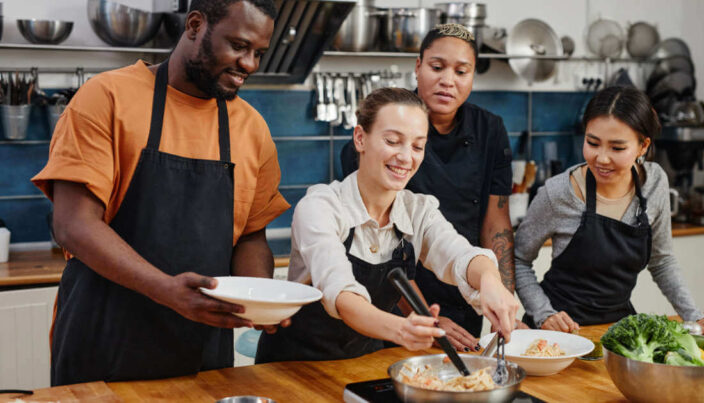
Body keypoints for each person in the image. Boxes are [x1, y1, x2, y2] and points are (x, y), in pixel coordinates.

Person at [31, 0, 291, 385]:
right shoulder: (106, 98)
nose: (250, 64)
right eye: (238, 46)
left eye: (258, 53)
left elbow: (250, 236)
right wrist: (166, 291)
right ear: (195, 26)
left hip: (202, 352)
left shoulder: (251, 129)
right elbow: (73, 224)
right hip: (103, 345)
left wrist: (259, 299)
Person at [256, 88, 519, 363]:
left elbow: (459, 255)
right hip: (293, 368)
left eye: (418, 146)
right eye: (393, 141)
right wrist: (403, 329)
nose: (406, 157)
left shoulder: (418, 210)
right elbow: (342, 294)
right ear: (360, 138)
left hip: (361, 364)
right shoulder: (320, 207)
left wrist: (491, 281)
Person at [340, 24, 519, 351]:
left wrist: (501, 296)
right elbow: (381, 252)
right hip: (392, 307)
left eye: (461, 70)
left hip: (467, 297)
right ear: (417, 66)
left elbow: (493, 226)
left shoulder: (490, 129)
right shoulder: (378, 138)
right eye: (437, 67)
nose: (448, 80)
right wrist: (426, 320)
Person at [514, 86, 704, 341]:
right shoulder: (558, 193)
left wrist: (695, 317)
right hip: (555, 336)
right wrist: (544, 314)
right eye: (592, 143)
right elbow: (518, 260)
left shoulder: (654, 183)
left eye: (617, 148)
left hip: (618, 334)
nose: (601, 158)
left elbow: (662, 261)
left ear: (643, 146)